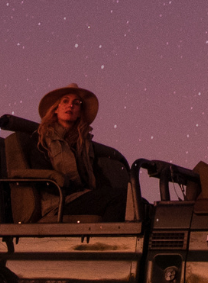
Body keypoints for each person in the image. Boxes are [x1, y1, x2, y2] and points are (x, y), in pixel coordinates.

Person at [19, 83, 128, 221]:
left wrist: (103, 191)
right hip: (58, 203)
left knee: (134, 201)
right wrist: (79, 191)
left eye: (76, 103)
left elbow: (97, 175)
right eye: (65, 101)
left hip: (82, 197)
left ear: (79, 113)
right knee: (119, 200)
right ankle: (106, 241)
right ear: (56, 109)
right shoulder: (40, 139)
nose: (70, 105)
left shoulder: (83, 144)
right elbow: (43, 179)